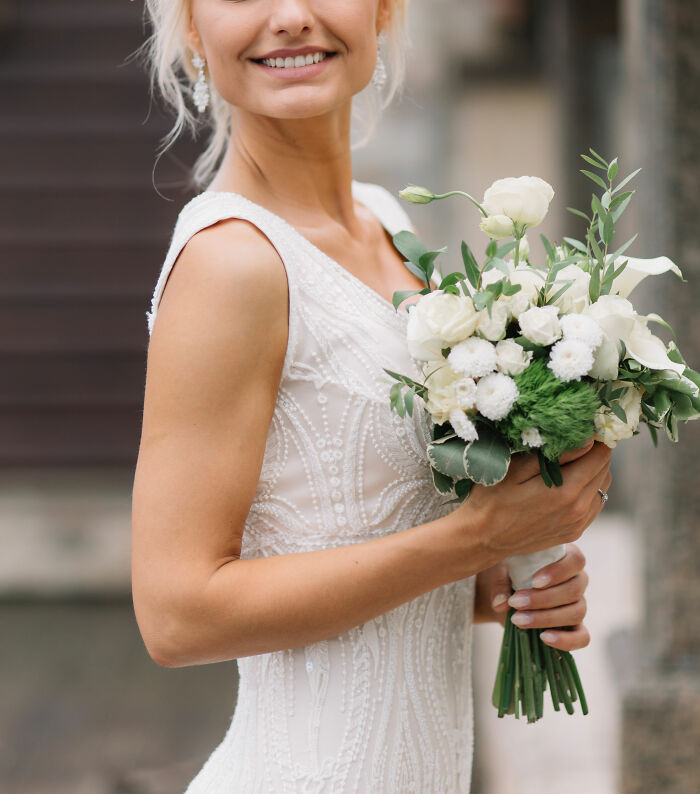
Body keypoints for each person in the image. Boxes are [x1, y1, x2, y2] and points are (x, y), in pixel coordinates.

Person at [130, 1, 612, 792]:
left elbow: (343, 538)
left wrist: (500, 581)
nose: (290, 17)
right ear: (190, 30)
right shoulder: (233, 264)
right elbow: (178, 616)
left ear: (383, 10)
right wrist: (475, 541)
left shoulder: (387, 228)